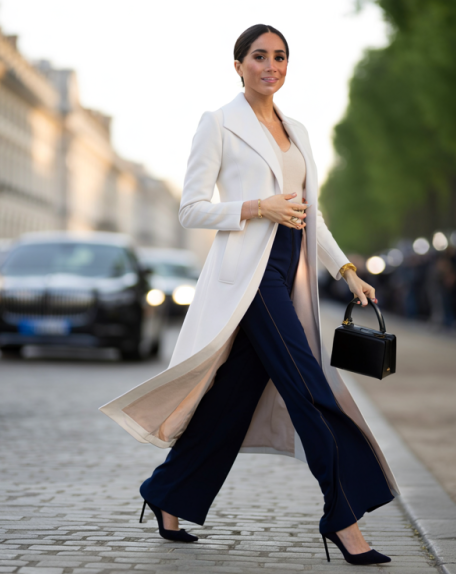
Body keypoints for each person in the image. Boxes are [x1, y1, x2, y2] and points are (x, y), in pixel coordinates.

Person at [99, 25, 397, 565]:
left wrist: (347, 270)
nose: (271, 65)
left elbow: (313, 215)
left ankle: (168, 493)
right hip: (249, 279)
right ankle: (344, 516)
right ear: (237, 65)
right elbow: (190, 210)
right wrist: (255, 207)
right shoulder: (218, 124)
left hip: (289, 272)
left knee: (231, 400)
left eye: (280, 57)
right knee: (311, 387)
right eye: (259, 56)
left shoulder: (299, 129)